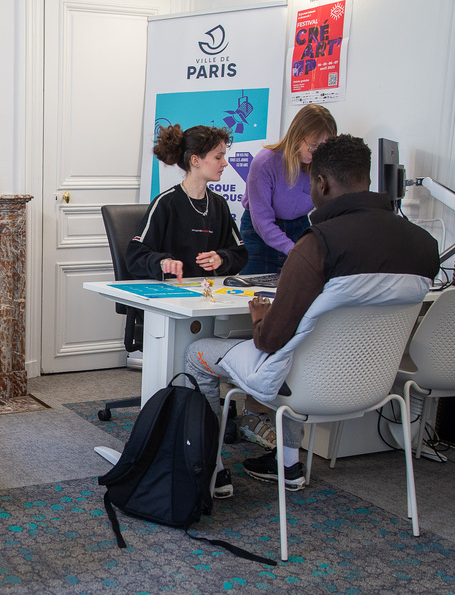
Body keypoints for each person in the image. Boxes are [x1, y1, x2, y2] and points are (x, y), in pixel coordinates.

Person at [184, 134, 439, 499]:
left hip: (303, 385)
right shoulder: (424, 245)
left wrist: (260, 317)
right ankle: (288, 465)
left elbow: (269, 341)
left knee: (196, 354)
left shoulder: (317, 244)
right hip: (372, 384)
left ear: (321, 183)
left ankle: (210, 469)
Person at [127, 124, 248, 282]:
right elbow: (136, 255)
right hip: (171, 296)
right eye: (218, 157)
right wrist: (163, 263)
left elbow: (239, 253)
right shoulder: (166, 203)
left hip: (209, 294)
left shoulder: (219, 204)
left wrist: (221, 259)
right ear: (195, 160)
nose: (224, 163)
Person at [241, 104, 336, 274]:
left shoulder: (321, 166)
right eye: (312, 145)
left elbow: (329, 210)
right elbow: (262, 221)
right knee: (254, 289)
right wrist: (294, 250)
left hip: (298, 227)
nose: (314, 154)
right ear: (297, 134)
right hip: (259, 231)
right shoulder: (265, 163)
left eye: (321, 149)